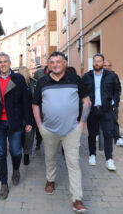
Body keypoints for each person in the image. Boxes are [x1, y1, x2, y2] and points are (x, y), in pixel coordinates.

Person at [32, 51, 91, 213]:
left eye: (59, 61)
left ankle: (77, 199)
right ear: (49, 64)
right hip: (49, 130)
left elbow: (87, 102)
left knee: (73, 163)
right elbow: (35, 104)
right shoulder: (42, 82)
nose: (55, 64)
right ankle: (50, 180)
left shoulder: (75, 80)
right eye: (52, 62)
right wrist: (39, 125)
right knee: (50, 158)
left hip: (72, 131)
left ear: (64, 63)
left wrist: (81, 124)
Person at [0, 52, 32, 200]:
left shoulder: (19, 79)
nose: (3, 64)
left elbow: (25, 101)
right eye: (0, 62)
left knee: (16, 151)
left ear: (10, 63)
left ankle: (16, 169)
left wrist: (28, 121)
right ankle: (4, 184)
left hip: (15, 122)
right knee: (1, 153)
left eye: (5, 61)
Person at [82, 54, 121, 171]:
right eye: (95, 61)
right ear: (93, 63)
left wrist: (114, 103)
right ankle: (92, 155)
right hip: (92, 110)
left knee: (108, 134)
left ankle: (109, 159)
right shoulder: (86, 77)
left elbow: (117, 90)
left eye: (99, 61)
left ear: (103, 63)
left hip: (106, 110)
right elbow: (82, 92)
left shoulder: (111, 76)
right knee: (92, 134)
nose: (97, 63)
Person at [103, 60, 123, 147]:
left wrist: (115, 101)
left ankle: (118, 139)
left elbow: (118, 89)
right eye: (105, 66)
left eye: (109, 65)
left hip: (112, 104)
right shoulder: (98, 76)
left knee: (114, 120)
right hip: (100, 104)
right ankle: (98, 136)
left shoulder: (114, 76)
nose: (107, 67)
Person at [18, 66, 37, 165]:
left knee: (29, 135)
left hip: (31, 113)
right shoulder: (16, 83)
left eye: (19, 73)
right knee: (21, 134)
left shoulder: (33, 83)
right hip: (19, 113)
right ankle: (23, 149)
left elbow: (37, 99)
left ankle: (26, 154)